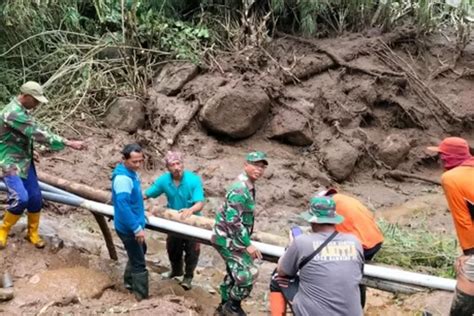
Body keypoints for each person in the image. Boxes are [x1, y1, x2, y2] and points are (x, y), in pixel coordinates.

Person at [0, 81, 85, 249]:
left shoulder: (23, 110)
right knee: (20, 198)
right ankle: (3, 231)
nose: (37, 104)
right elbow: (37, 132)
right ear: (25, 96)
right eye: (35, 100)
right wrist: (67, 142)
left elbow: (23, 134)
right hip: (9, 162)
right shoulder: (12, 113)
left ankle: (32, 233)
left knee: (36, 198)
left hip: (24, 160)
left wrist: (32, 151)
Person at [274, 196, 364, 316]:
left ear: (312, 220)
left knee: (275, 278)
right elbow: (358, 272)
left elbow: (282, 271)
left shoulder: (301, 242)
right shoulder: (355, 241)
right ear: (334, 218)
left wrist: (291, 247)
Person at [211, 151, 268, 316]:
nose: (259, 170)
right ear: (246, 165)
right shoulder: (240, 189)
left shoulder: (248, 186)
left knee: (232, 272)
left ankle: (223, 307)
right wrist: (247, 244)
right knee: (248, 274)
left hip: (232, 237)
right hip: (226, 238)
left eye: (262, 167)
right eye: (256, 165)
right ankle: (232, 306)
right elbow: (233, 221)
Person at [143, 151, 205, 290]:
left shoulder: (193, 180)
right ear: (168, 167)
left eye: (179, 164)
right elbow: (149, 193)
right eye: (172, 165)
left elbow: (200, 202)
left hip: (193, 221)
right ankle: (176, 270)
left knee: (192, 250)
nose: (176, 167)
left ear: (183, 164)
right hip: (173, 220)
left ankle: (188, 276)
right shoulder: (164, 180)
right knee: (172, 247)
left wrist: (191, 210)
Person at [428, 137, 474, 315]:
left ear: (448, 158)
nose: (439, 161)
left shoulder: (450, 178)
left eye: (441, 156)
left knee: (468, 279)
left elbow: (464, 221)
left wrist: (468, 254)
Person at [317, 188, 384, 308]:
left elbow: (325, 232)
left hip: (362, 245)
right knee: (357, 274)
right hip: (375, 240)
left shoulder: (330, 205)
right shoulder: (345, 199)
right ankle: (358, 307)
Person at [112, 143, 148, 301]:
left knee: (140, 250)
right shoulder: (122, 179)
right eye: (135, 162)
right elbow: (123, 205)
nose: (138, 164)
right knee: (139, 261)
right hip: (128, 228)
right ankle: (141, 296)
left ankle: (128, 282)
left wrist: (141, 213)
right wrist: (136, 228)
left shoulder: (131, 173)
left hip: (131, 222)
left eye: (140, 161)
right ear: (124, 160)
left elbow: (133, 200)